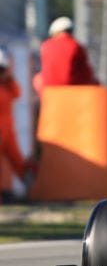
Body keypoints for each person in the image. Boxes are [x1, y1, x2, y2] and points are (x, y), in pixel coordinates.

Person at [0, 48, 35, 197]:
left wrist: (8, 77)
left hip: (8, 131)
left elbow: (17, 93)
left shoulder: (7, 86)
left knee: (19, 162)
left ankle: (32, 191)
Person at [32, 17, 99, 94]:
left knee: (37, 79)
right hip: (72, 90)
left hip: (49, 91)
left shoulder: (45, 46)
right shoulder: (76, 46)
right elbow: (86, 72)